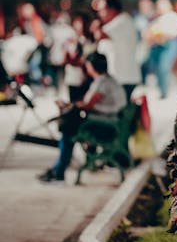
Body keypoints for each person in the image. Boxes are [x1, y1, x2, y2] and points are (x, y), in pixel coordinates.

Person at [38, 52, 126, 183]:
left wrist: (69, 105)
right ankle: (58, 169)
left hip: (104, 125)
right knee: (69, 129)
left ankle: (59, 171)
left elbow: (88, 105)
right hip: (110, 122)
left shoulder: (102, 83)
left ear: (91, 66)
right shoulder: (109, 80)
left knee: (68, 131)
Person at [92, 0, 141, 101]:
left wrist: (96, 25)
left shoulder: (122, 21)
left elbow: (99, 35)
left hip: (124, 78)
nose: (99, 13)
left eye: (101, 10)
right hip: (118, 78)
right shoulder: (114, 23)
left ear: (112, 9)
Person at [142, 0, 177, 98]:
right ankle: (161, 89)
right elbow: (148, 32)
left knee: (163, 67)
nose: (160, 7)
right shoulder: (156, 18)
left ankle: (164, 91)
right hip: (158, 45)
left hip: (169, 44)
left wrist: (161, 34)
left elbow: (174, 32)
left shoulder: (173, 16)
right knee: (156, 67)